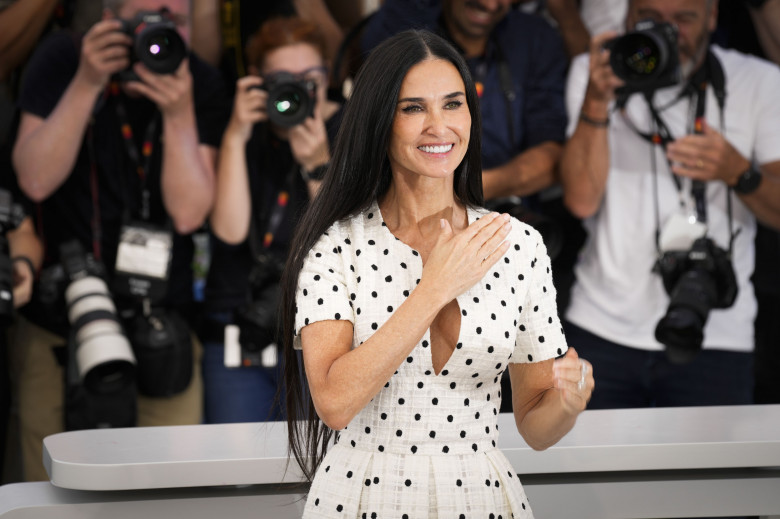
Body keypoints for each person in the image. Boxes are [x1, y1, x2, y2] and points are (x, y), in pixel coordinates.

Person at [280, 29, 594, 518]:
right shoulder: (336, 246)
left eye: (453, 104)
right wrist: (435, 288)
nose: (439, 126)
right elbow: (335, 403)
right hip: (362, 494)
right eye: (413, 108)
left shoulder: (518, 245)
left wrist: (568, 406)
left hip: (481, 495)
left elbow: (535, 426)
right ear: (379, 121)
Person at [9, 0, 229, 481]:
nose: (159, 33)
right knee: (49, 492)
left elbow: (190, 212)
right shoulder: (64, 59)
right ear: (111, 18)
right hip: (60, 319)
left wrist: (178, 114)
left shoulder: (200, 81)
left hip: (161, 323)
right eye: (146, 18)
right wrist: (88, 82)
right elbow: (35, 180)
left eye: (174, 20)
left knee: (167, 494)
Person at [559, 0, 780, 409]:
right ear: (626, 16)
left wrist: (738, 173)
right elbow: (581, 200)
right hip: (602, 324)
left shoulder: (759, 82)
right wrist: (596, 101)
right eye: (651, 19)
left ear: (713, 17)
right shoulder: (593, 76)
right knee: (587, 470)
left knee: (711, 473)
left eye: (684, 19)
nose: (668, 33)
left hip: (717, 332)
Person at [199, 15, 341, 424]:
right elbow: (229, 230)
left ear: (327, 75)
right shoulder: (245, 127)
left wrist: (317, 163)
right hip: (237, 320)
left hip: (319, 325)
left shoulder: (350, 125)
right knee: (234, 474)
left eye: (307, 78)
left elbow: (346, 238)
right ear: (259, 79)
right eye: (282, 78)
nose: (295, 89)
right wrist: (235, 136)